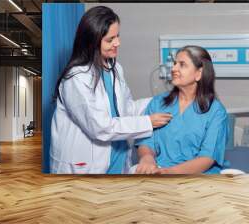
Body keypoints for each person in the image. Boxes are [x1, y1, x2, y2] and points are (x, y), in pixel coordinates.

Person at [50, 6, 172, 174]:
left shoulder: (115, 69)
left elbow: (126, 109)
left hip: (118, 157)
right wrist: (147, 122)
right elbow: (99, 127)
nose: (118, 43)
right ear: (91, 41)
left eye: (118, 36)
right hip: (85, 165)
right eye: (110, 39)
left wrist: (161, 100)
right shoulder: (76, 78)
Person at [133, 45, 229, 174]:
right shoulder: (157, 103)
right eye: (174, 63)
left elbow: (207, 158)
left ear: (198, 74)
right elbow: (146, 141)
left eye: (182, 65)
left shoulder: (216, 112)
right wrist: (147, 158)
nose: (173, 68)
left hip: (197, 177)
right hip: (158, 170)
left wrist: (168, 173)